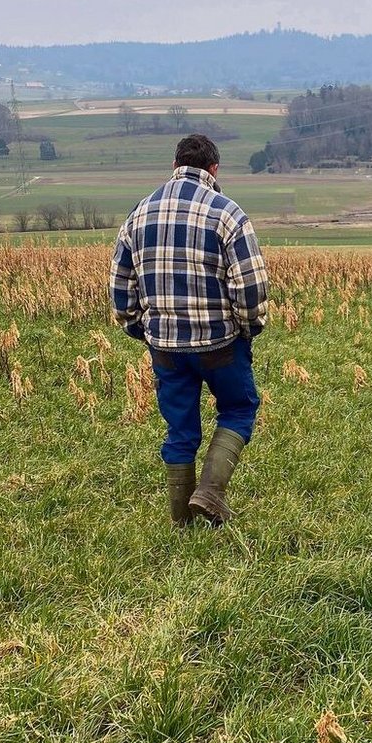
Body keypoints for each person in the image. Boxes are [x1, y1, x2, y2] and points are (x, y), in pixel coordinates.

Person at [110, 134, 269, 526]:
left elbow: (120, 288)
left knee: (179, 430)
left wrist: (140, 330)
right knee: (238, 408)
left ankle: (180, 523)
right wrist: (249, 328)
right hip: (220, 344)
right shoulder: (227, 213)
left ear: (175, 166)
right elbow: (250, 286)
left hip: (164, 346)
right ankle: (211, 492)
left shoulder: (139, 213)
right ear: (213, 169)